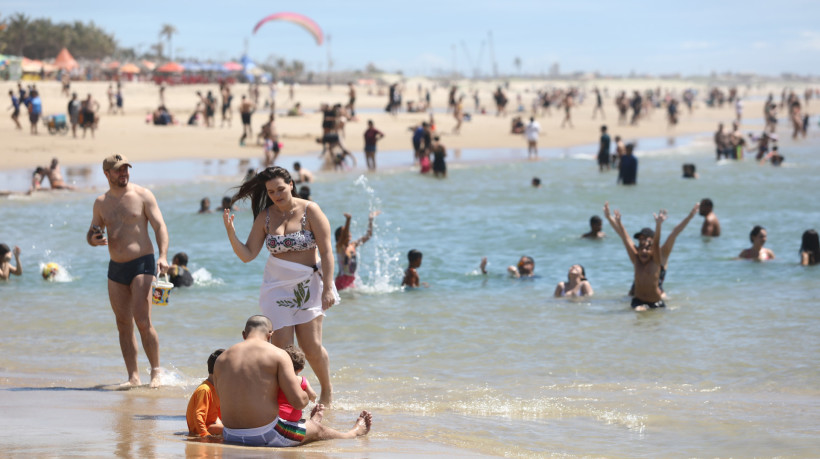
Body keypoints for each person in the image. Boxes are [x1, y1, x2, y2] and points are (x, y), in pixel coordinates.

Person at [223, 167, 338, 406]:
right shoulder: (265, 216)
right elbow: (247, 254)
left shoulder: (311, 210)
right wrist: (231, 233)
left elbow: (327, 252)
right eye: (271, 191)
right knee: (283, 349)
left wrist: (328, 286)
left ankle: (326, 390)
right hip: (276, 287)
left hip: (307, 284)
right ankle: (296, 395)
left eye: (281, 189)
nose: (276, 194)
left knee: (311, 346)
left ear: (291, 184)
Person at [214, 316, 371, 447]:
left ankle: (308, 424)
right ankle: (352, 433)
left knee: (298, 423)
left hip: (230, 434)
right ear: (270, 335)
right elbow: (298, 402)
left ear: (244, 334)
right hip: (265, 435)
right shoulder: (278, 354)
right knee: (318, 429)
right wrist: (304, 393)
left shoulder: (221, 359)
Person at [87, 154, 169, 387]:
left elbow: (159, 226)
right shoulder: (101, 203)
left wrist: (162, 255)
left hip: (142, 263)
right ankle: (133, 377)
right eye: (118, 170)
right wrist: (93, 239)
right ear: (107, 174)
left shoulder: (142, 195)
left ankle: (156, 373)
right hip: (116, 267)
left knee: (142, 320)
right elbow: (92, 231)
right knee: (123, 323)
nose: (123, 173)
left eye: (125, 169)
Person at [604, 201, 699, 311]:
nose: (643, 245)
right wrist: (613, 219)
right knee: (635, 307)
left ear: (652, 245)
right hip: (638, 296)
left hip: (655, 297)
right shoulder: (636, 256)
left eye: (646, 240)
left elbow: (673, 233)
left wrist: (689, 216)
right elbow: (624, 237)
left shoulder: (659, 255)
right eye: (640, 241)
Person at [334, 211, 379, 291]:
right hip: (341, 280)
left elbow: (368, 236)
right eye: (344, 232)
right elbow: (344, 238)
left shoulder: (352, 245)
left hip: (351, 280)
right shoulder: (339, 247)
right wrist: (348, 220)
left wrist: (370, 219)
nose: (348, 232)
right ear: (338, 237)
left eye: (348, 231)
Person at [186, 349, 225, 437]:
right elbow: (198, 415)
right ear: (219, 371)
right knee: (230, 430)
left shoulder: (216, 389)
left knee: (233, 427)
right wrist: (204, 435)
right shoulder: (205, 389)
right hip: (202, 428)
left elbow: (219, 413)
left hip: (210, 424)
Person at [278, 345, 317, 422]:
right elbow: (313, 395)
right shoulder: (303, 380)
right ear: (300, 369)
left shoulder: (278, 379)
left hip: (278, 415)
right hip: (295, 417)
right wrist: (311, 402)